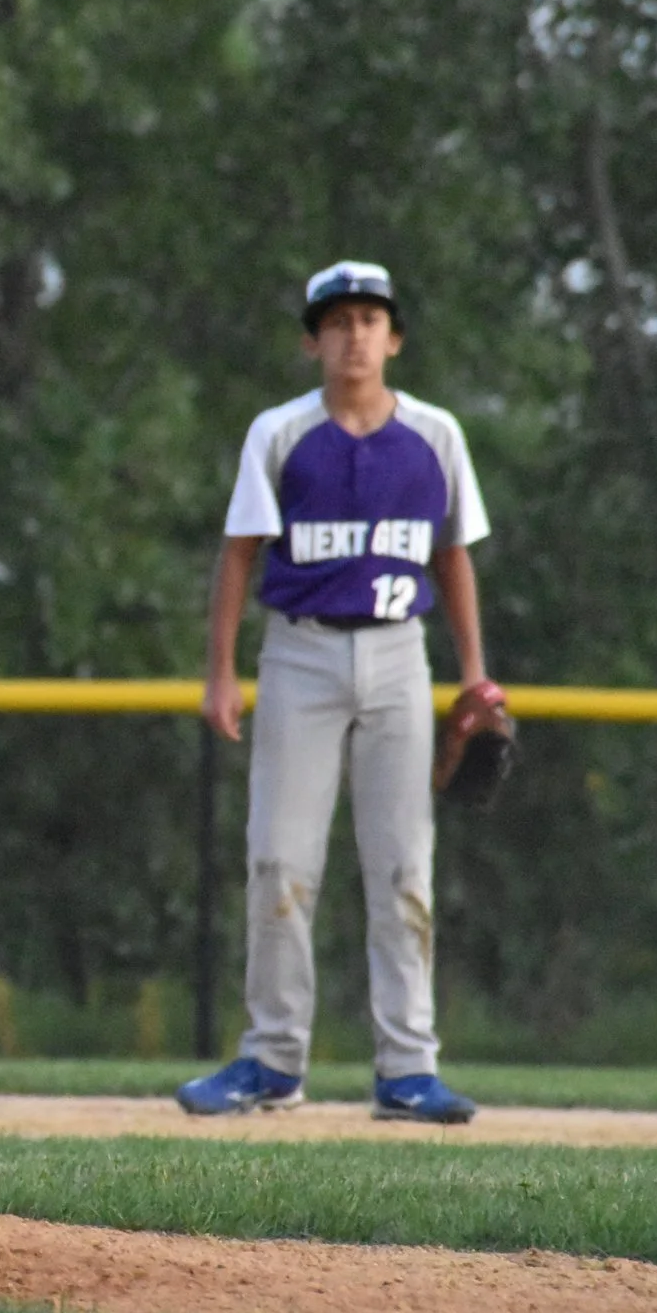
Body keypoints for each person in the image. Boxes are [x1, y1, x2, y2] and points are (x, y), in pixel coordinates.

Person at [179, 262, 491, 1124]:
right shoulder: (280, 433)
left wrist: (473, 673)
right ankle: (272, 1059)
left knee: (403, 867)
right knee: (280, 859)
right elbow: (238, 552)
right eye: (337, 320)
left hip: (399, 656)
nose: (355, 334)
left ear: (394, 337)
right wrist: (220, 673)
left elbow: (452, 556)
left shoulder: (435, 435)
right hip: (300, 656)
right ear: (312, 340)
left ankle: (408, 1068)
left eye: (369, 318)